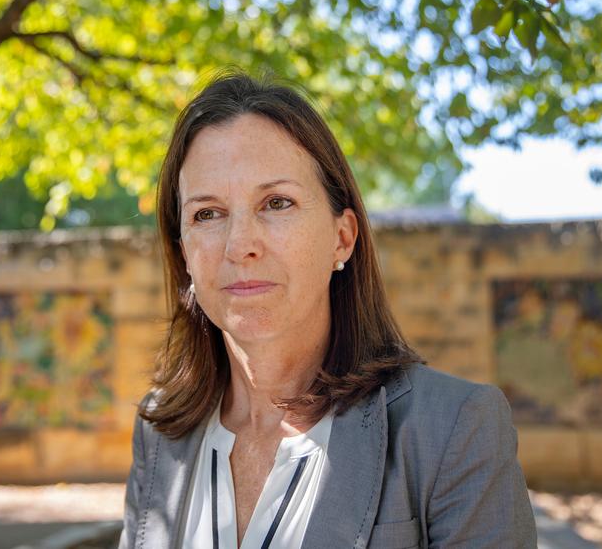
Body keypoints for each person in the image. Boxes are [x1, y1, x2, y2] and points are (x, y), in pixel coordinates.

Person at [119, 70, 537, 549]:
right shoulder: (160, 431)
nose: (240, 245)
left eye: (276, 202)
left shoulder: (453, 430)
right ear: (185, 253)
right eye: (207, 214)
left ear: (342, 238)